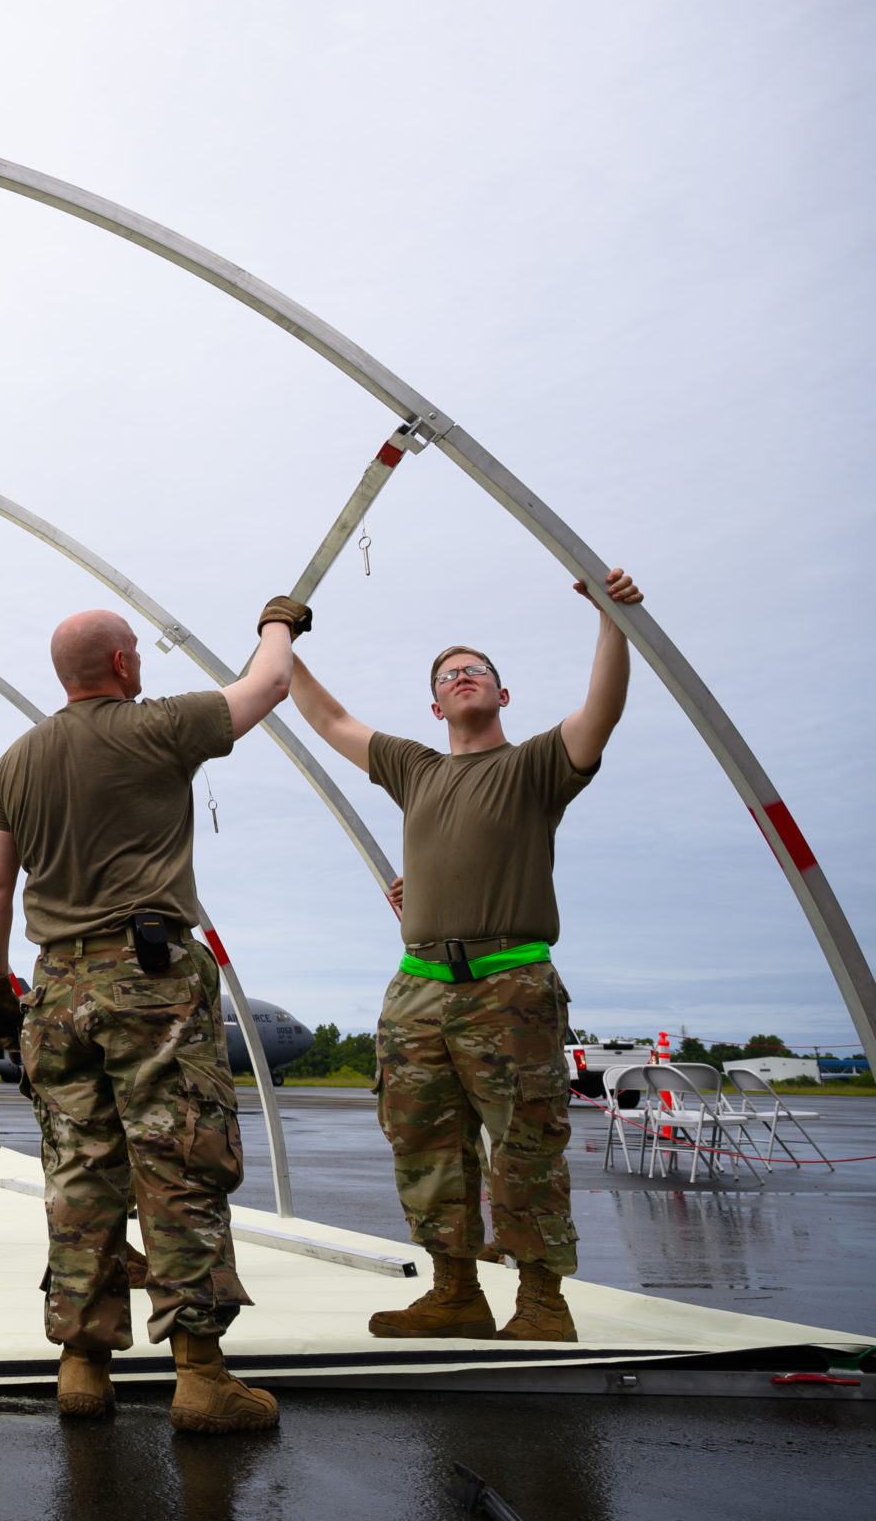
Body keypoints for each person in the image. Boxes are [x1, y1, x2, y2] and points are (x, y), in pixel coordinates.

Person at [0, 599, 304, 1432]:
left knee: (80, 1175)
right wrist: (277, 622)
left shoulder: (15, 760)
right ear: (123, 664)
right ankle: (200, 1375)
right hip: (148, 980)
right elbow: (267, 686)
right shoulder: (158, 726)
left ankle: (82, 1367)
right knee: (178, 1165)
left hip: (52, 987)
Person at [286, 570, 642, 1344]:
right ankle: (455, 1291)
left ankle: (542, 1302)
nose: (461, 676)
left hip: (508, 981)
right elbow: (330, 717)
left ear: (502, 695)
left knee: (525, 1145)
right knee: (423, 1142)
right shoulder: (416, 768)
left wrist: (613, 622)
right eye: (447, 675)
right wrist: (280, 641)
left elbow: (601, 712)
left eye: (475, 668)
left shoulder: (537, 765)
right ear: (435, 704)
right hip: (418, 985)